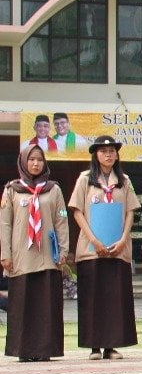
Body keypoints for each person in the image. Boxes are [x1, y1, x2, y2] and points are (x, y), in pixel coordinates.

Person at [69, 135, 140, 359]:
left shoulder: (124, 180)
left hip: (117, 249)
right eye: (103, 151)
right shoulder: (84, 179)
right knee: (93, 297)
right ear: (95, 155)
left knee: (114, 298)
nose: (108, 154)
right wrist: (94, 241)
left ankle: (111, 346)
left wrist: (123, 240)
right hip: (91, 249)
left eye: (112, 151)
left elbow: (130, 212)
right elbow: (77, 211)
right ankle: (94, 347)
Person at [2, 144, 70, 361]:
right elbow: (5, 225)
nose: (35, 163)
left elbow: (61, 220)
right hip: (22, 257)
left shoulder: (54, 189)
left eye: (39, 159)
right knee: (22, 305)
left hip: (48, 257)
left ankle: (45, 350)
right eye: (31, 159)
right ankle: (23, 350)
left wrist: (64, 250)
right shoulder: (12, 190)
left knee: (46, 305)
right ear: (23, 162)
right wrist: (6, 254)